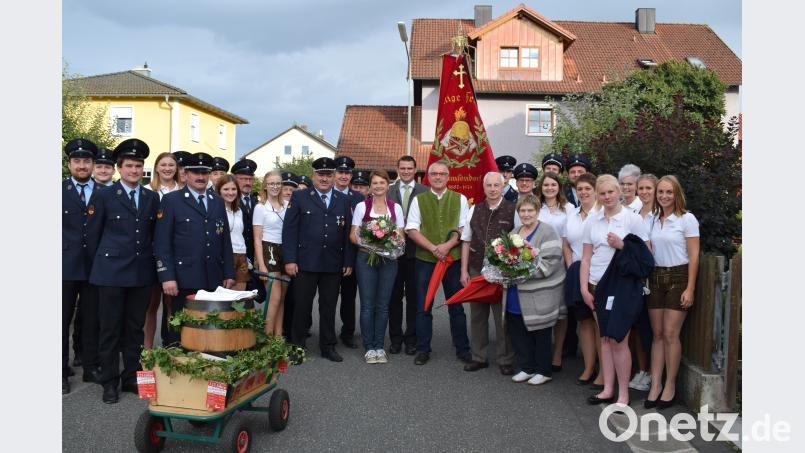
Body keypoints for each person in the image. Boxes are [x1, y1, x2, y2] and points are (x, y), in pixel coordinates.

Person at [89, 138, 160, 404]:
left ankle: (131, 375)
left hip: (140, 273)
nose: (134, 170)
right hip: (111, 273)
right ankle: (109, 380)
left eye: (138, 166)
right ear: (119, 168)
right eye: (129, 166)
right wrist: (98, 269)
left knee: (134, 328)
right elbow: (94, 236)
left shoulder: (151, 198)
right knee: (110, 329)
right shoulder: (104, 195)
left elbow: (153, 235)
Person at [581, 174, 650, 408]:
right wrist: (583, 288)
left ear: (619, 191)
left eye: (611, 192)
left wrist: (622, 245)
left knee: (619, 340)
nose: (607, 197)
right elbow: (586, 258)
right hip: (596, 285)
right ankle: (607, 389)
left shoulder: (632, 220)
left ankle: (623, 395)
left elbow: (645, 256)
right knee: (605, 339)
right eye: (602, 193)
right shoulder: (593, 220)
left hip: (622, 287)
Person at [153, 152, 236, 346]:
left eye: (204, 173)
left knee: (208, 327)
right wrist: (167, 277)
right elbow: (162, 243)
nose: (200, 177)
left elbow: (224, 239)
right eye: (195, 172)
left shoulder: (216, 201)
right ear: (186, 174)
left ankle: (204, 369)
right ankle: (174, 369)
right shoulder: (172, 201)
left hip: (212, 276)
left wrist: (228, 272)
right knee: (178, 329)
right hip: (182, 278)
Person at [283, 157, 355, 362]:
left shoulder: (344, 200)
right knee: (302, 306)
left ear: (333, 177)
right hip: (305, 262)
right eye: (321, 174)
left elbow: (348, 234)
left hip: (333, 262)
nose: (324, 178)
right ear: (314, 175)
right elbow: (289, 231)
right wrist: (290, 259)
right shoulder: (300, 197)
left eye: (328, 175)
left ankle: (328, 346)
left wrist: (348, 261)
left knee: (328, 306)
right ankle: (297, 347)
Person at [405, 161, 471, 365]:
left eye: (442, 174)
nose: (438, 177)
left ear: (448, 176)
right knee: (423, 306)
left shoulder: (460, 199)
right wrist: (434, 248)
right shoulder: (419, 200)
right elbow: (412, 229)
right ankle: (423, 349)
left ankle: (463, 349)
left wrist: (448, 245)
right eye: (434, 174)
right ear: (429, 177)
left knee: (456, 306)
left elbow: (463, 228)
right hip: (426, 260)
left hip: (453, 259)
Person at [645, 175, 700, 410]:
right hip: (655, 277)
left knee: (670, 333)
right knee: (656, 333)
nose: (664, 196)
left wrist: (690, 287)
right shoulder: (653, 219)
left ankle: (670, 385)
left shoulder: (686, 219)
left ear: (677, 194)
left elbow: (694, 255)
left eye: (669, 192)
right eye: (661, 192)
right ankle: (655, 385)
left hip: (679, 277)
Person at [459, 172, 517, 375]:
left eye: (496, 185)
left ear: (503, 187)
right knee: (477, 314)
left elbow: (519, 241)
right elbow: (466, 240)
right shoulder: (474, 208)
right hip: (476, 268)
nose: (492, 189)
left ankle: (505, 358)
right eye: (489, 185)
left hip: (501, 271)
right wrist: (464, 271)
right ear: (483, 188)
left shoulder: (512, 210)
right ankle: (479, 357)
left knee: (501, 316)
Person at [506, 194, 566, 385]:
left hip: (539, 293)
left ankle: (543, 370)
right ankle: (527, 367)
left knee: (540, 332)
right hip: (516, 292)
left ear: (538, 211)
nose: (526, 214)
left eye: (530, 210)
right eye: (522, 210)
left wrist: (521, 270)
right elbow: (505, 259)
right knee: (518, 330)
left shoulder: (547, 232)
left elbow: (552, 261)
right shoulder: (514, 232)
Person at [62, 138, 104, 394]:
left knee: (91, 320)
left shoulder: (103, 193)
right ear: (69, 164)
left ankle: (90, 367)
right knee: (60, 320)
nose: (82, 165)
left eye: (86, 161)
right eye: (77, 161)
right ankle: (59, 371)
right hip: (63, 266)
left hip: (94, 267)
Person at [350, 170, 405, 364]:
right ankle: (369, 347)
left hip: (389, 261)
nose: (379, 186)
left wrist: (386, 243)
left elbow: (400, 236)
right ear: (370, 186)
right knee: (367, 305)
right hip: (366, 259)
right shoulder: (361, 206)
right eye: (375, 183)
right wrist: (371, 244)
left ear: (388, 185)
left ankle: (379, 346)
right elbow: (353, 235)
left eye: (382, 182)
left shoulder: (395, 207)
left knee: (383, 306)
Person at [562, 173, 602, 387]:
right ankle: (588, 367)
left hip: (599, 273)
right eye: (580, 189)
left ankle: (604, 372)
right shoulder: (573, 215)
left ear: (595, 191)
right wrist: (571, 266)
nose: (584, 193)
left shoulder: (603, 214)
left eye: (588, 188)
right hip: (577, 270)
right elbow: (566, 243)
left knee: (600, 323)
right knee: (584, 322)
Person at [387, 155, 427, 355]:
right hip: (392, 254)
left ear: (415, 170)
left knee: (414, 298)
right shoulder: (387, 191)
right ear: (397, 169)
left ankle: (411, 339)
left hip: (415, 253)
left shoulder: (424, 191)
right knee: (393, 298)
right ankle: (395, 339)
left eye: (409, 168)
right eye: (402, 168)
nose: (406, 171)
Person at [144, 152, 181, 349]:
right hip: (150, 256)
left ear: (176, 169)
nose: (167, 168)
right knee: (150, 306)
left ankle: (171, 345)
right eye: (163, 165)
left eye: (171, 165)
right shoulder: (146, 191)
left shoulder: (184, 192)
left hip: (175, 256)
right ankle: (148, 351)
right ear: (156, 168)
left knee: (172, 305)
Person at [628, 173, 660, 392]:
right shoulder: (633, 214)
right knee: (638, 327)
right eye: (642, 188)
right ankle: (642, 369)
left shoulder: (661, 215)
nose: (645, 192)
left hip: (658, 276)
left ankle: (653, 373)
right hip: (638, 277)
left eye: (649, 188)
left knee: (654, 329)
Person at [536, 172, 571, 372]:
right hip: (538, 265)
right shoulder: (536, 208)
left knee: (560, 312)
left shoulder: (569, 209)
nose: (549, 188)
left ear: (559, 187)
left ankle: (557, 353)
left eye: (553, 184)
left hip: (560, 265)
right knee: (541, 310)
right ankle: (541, 352)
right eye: (546, 185)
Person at [332, 155, 365, 349]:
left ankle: (348, 332)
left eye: (347, 173)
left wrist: (350, 260)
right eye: (341, 172)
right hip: (329, 256)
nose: (344, 176)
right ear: (335, 173)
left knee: (349, 298)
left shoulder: (358, 198)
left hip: (350, 255)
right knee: (327, 299)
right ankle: (325, 333)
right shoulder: (326, 194)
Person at [254, 170, 289, 335]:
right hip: (269, 250)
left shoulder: (287, 205)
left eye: (278, 183)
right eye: (271, 184)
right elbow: (257, 238)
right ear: (265, 186)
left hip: (285, 250)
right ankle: (266, 339)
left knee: (281, 299)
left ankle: (278, 337)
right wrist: (261, 265)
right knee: (273, 298)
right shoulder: (260, 208)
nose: (275, 186)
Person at [216, 175, 250, 292]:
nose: (230, 193)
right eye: (226, 189)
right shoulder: (215, 210)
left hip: (241, 255)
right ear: (219, 191)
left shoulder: (239, 210)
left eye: (233, 189)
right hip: (225, 256)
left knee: (240, 299)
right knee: (225, 300)